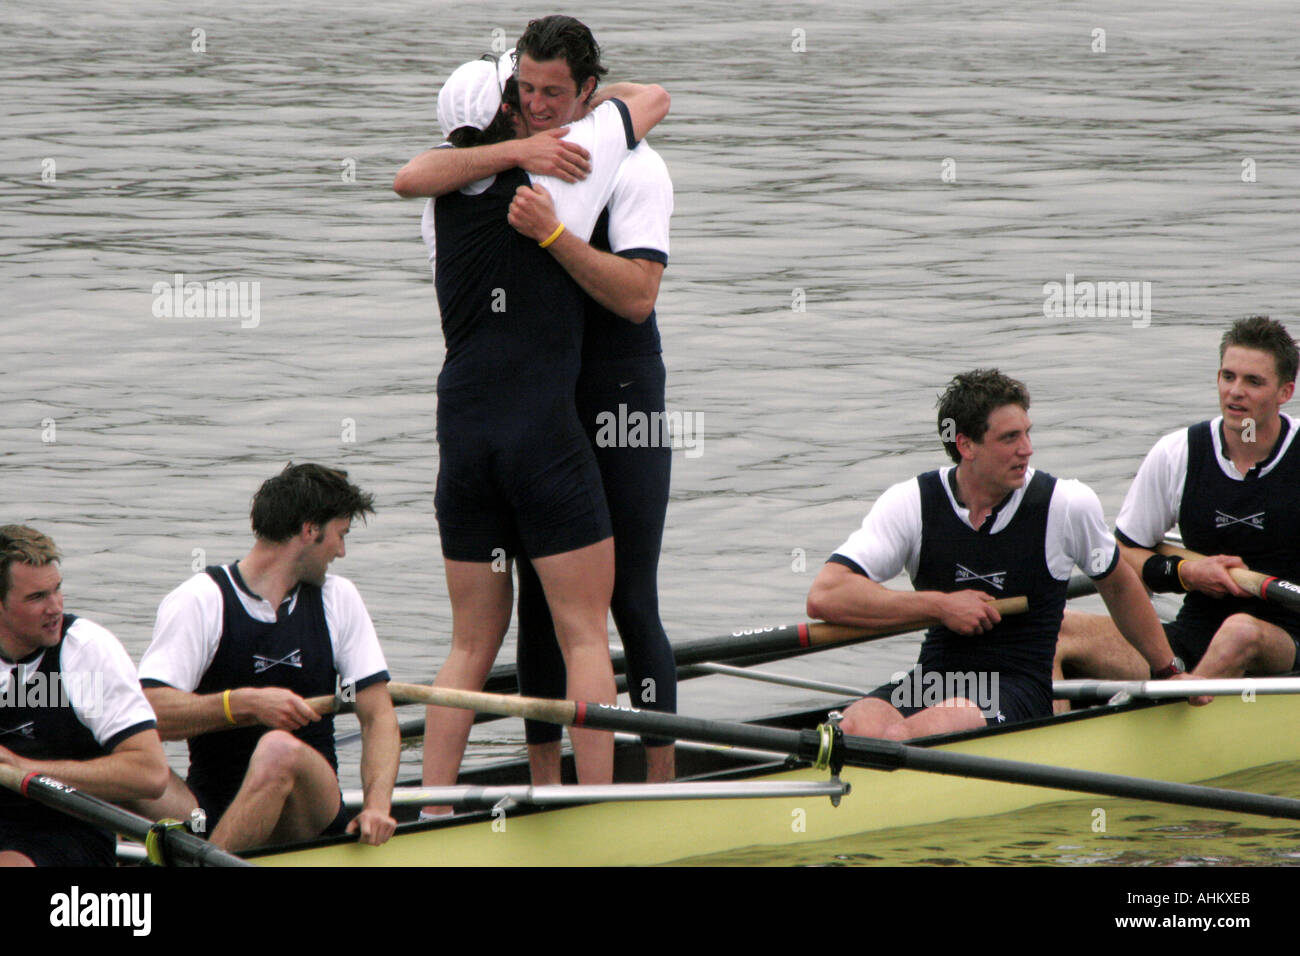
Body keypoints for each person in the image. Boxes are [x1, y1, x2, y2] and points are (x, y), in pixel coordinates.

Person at [397, 16, 676, 784]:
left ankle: (437, 807)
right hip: (541, 439)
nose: (541, 108)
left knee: (469, 644)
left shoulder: (440, 205)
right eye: (525, 94)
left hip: (462, 436)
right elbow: (652, 97)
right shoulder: (567, 170)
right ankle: (591, 801)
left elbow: (414, 173)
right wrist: (571, 123)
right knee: (586, 632)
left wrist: (509, 138)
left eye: (551, 93)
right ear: (509, 112)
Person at [805, 369, 1192, 741]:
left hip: (1018, 687)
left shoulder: (1065, 504)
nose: (1027, 449)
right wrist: (940, 607)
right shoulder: (911, 503)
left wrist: (1167, 670)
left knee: (907, 734)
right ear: (966, 445)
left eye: (1027, 433)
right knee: (855, 727)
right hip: (934, 679)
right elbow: (826, 596)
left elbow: (1120, 586)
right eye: (1009, 438)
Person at [135, 463, 398, 852]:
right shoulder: (201, 600)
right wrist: (241, 705)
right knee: (96, 737)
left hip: (310, 815)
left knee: (278, 749)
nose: (341, 552)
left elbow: (378, 716)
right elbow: (147, 714)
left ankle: (201, 862)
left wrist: (377, 808)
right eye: (339, 536)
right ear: (310, 530)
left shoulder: (337, 598)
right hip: (208, 809)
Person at [1055, 316, 1300, 685]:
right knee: (1057, 630)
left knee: (1240, 631)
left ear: (1285, 392)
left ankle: (1183, 703)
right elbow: (1123, 555)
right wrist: (1187, 573)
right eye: (1228, 376)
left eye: (1253, 382)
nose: (1235, 391)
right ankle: (1051, 732)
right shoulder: (1177, 453)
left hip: (1285, 641)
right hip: (1192, 637)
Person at [0, 525, 168, 867]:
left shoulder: (87, 652)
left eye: (56, 590)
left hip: (66, 830)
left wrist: (25, 768)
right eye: (37, 598)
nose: (55, 607)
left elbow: (149, 773)